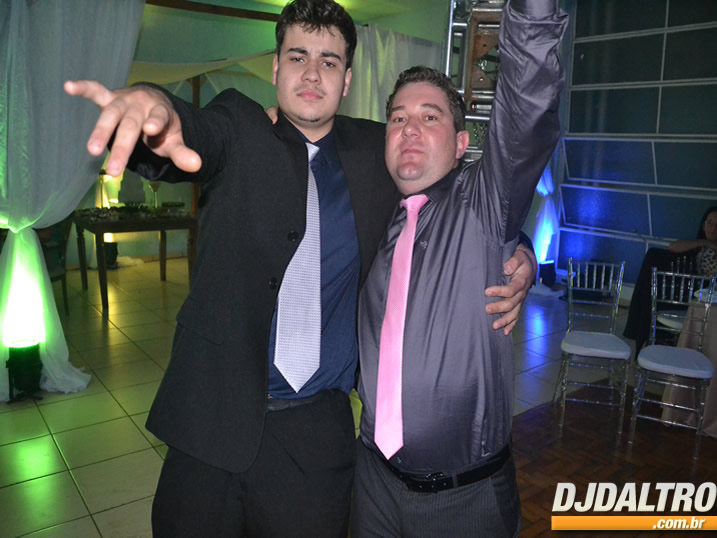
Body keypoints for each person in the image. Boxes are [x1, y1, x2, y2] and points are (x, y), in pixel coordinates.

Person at [65, 1, 537, 535]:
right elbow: (193, 131)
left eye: (329, 61)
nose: (312, 73)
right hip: (211, 417)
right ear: (275, 68)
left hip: (315, 436)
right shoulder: (238, 127)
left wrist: (519, 250)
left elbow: (456, 197)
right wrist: (156, 109)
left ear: (347, 79)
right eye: (297, 56)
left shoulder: (379, 151)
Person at [352, 1, 567, 536]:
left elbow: (527, 106)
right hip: (372, 484)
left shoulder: (483, 204)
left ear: (462, 143)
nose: (409, 129)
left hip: (463, 500)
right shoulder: (375, 211)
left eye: (430, 117)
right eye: (398, 118)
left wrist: (533, 11)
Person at [624, 206, 717, 352]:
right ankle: (646, 337)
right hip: (691, 295)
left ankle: (642, 333)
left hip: (706, 299)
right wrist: (704, 242)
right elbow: (673, 247)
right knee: (654, 257)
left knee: (654, 270)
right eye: (710, 222)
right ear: (703, 225)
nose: (713, 228)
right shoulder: (701, 246)